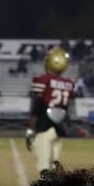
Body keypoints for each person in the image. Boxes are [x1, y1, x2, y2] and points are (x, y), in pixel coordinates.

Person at [28, 47, 75, 176]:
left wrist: (31, 128)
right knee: (54, 162)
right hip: (60, 126)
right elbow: (67, 105)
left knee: (44, 164)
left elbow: (37, 105)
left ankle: (46, 185)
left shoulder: (42, 80)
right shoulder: (69, 83)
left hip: (45, 124)